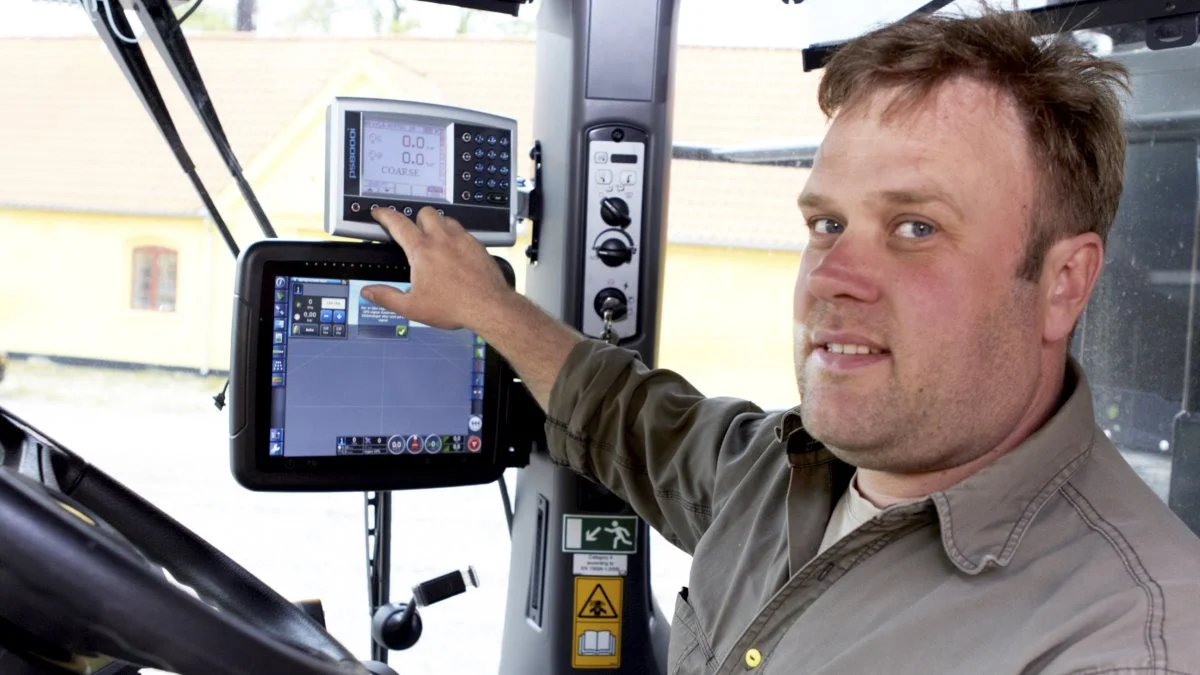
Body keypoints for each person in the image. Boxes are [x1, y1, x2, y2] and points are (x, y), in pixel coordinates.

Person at [361, 7, 1200, 674]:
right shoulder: (771, 472)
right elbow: (622, 412)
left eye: (915, 226)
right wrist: (485, 303)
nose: (833, 276)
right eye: (827, 222)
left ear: (1063, 283)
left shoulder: (1127, 638)